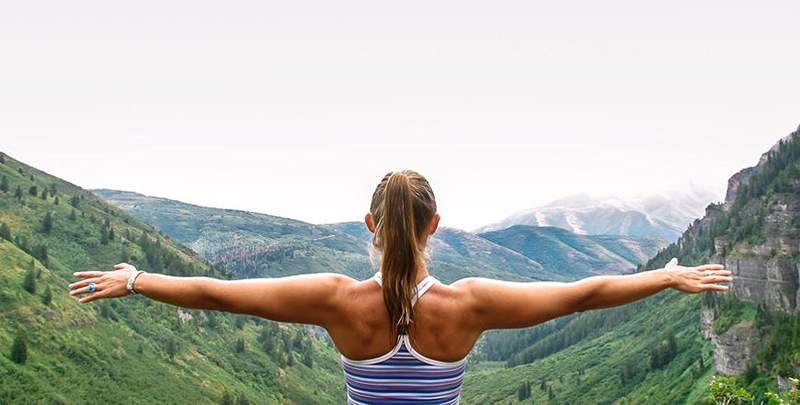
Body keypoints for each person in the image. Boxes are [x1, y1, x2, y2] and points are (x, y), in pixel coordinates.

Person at [69, 170, 732, 405]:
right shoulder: (468, 303)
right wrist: (667, 275)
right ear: (435, 225)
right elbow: (585, 292)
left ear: (370, 225)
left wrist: (135, 279)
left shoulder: (335, 298)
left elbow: (215, 293)